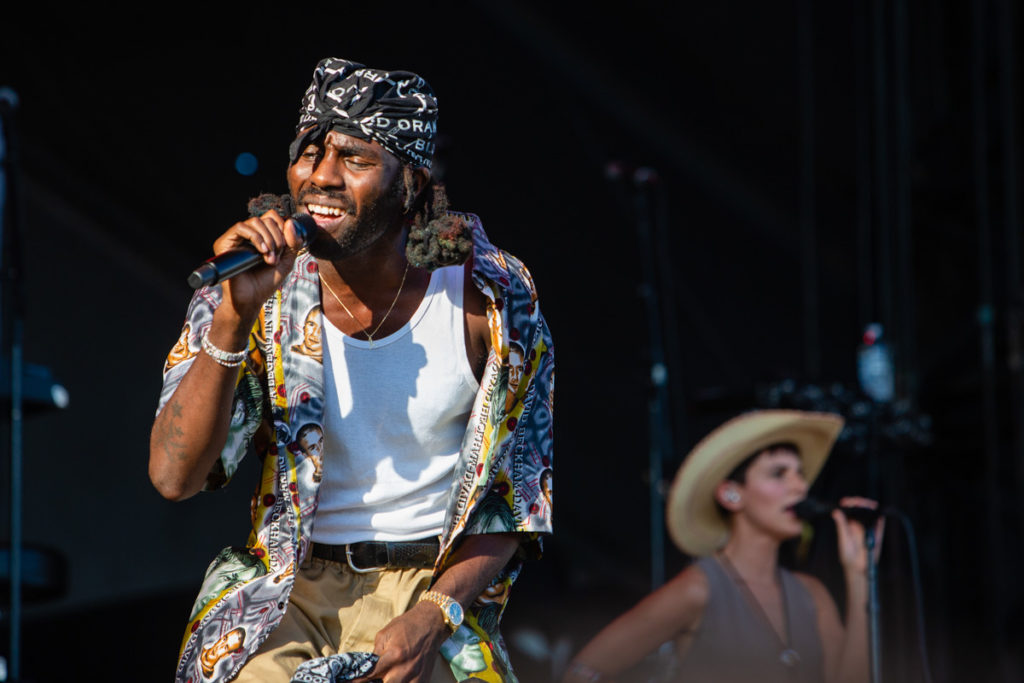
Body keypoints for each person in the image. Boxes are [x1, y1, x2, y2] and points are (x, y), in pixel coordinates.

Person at [149, 57, 555, 683]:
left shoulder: (491, 298)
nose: (322, 177)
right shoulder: (253, 290)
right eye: (310, 154)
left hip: (432, 590)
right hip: (288, 585)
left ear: (412, 183)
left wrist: (436, 615)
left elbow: (518, 498)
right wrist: (232, 319)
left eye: (355, 158)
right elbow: (174, 477)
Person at [562, 410, 882, 683]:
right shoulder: (698, 588)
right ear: (731, 494)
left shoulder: (812, 595)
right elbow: (584, 670)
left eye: (800, 474)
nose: (800, 486)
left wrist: (859, 575)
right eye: (779, 474)